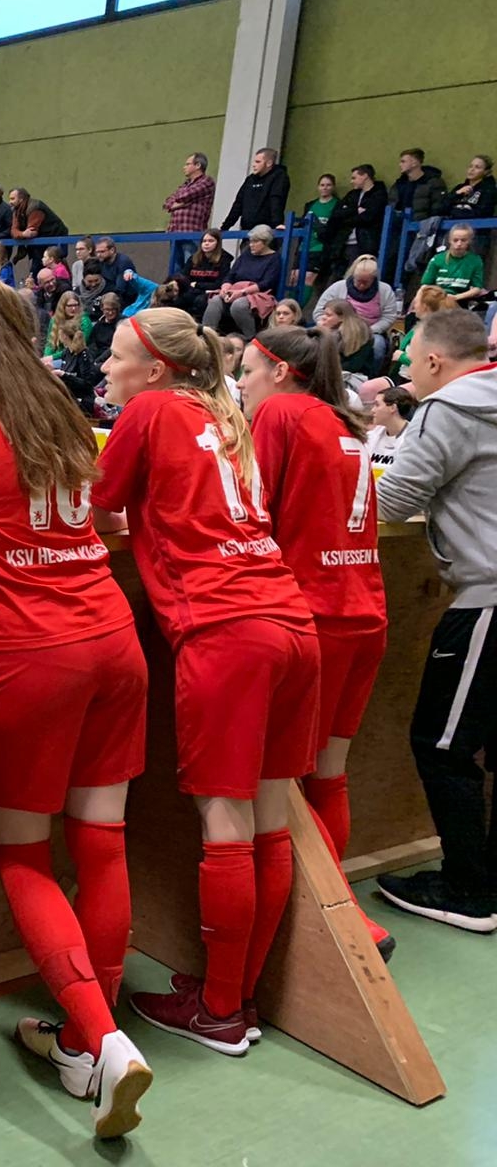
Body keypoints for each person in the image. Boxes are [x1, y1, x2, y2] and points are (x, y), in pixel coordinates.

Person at [0, 281, 151, 1137]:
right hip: (113, 639)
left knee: (23, 857)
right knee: (101, 842)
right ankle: (87, 1044)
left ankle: (102, 1040)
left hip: (30, 653)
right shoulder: (59, 396)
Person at [95, 308, 320, 1056]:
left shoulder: (148, 411)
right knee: (268, 822)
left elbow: (92, 508)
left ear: (155, 369)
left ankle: (221, 1010)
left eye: (117, 357)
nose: (106, 368)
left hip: (226, 631)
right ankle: (237, 996)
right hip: (291, 623)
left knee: (226, 826)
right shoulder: (222, 412)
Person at [239, 326, 395, 956]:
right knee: (329, 776)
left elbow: (249, 508)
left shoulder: (280, 413)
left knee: (279, 792)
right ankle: (347, 916)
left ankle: (340, 926)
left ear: (279, 372)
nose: (241, 385)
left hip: (314, 614)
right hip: (364, 613)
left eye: (247, 372)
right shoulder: (340, 419)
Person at [373, 308, 497, 931]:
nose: (404, 371)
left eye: (409, 359)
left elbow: (393, 500)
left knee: (441, 744)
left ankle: (468, 889)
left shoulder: (447, 408)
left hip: (487, 598)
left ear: (433, 361)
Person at [315, 256, 400, 367]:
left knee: (378, 347)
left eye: (366, 282)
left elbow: (389, 316)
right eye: (358, 281)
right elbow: (319, 311)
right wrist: (325, 324)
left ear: (374, 279)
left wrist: (370, 330)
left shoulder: (385, 290)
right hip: (337, 330)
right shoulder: (337, 287)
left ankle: (371, 375)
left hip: (371, 333)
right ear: (353, 276)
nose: (361, 285)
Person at [202, 226, 281, 337]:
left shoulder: (274, 258)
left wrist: (242, 292)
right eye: (250, 241)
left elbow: (267, 283)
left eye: (255, 242)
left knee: (239, 305)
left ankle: (250, 337)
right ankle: (207, 336)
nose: (251, 245)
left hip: (257, 294)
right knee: (215, 300)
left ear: (265, 242)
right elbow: (231, 275)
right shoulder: (246, 254)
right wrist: (225, 287)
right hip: (235, 290)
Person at [164, 152, 218, 272]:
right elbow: (168, 202)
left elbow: (185, 195)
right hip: (175, 232)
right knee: (175, 270)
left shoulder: (206, 181)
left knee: (191, 267)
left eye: (188, 164)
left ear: (198, 165)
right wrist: (182, 203)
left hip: (191, 232)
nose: (184, 167)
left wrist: (179, 202)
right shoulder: (185, 184)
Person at [223, 147, 291, 232]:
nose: (254, 165)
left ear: (269, 163)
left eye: (258, 162)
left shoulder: (279, 177)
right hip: (247, 230)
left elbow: (276, 200)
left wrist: (277, 223)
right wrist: (225, 227)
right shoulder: (250, 179)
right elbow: (238, 204)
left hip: (267, 231)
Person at [299, 174, 345, 298]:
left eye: (328, 185)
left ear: (333, 187)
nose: (325, 188)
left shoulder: (337, 205)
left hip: (320, 248)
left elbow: (334, 229)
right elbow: (302, 223)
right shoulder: (310, 204)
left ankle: (297, 308)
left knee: (308, 279)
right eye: (322, 185)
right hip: (303, 246)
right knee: (295, 279)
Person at [419, 224, 487, 304]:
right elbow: (425, 286)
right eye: (455, 240)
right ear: (449, 240)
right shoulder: (437, 259)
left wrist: (456, 297)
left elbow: (477, 288)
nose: (459, 244)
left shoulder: (475, 260)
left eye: (463, 240)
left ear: (469, 241)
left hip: (462, 300)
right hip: (437, 300)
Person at [316, 299, 376, 379]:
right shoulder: (332, 330)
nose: (323, 318)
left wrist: (322, 333)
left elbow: (352, 366)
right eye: (323, 314)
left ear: (342, 317)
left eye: (328, 315)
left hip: (350, 376)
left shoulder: (358, 334)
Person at [338, 165, 388, 260]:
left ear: (365, 176)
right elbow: (338, 213)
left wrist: (347, 218)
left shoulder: (379, 195)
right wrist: (356, 211)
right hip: (344, 242)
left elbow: (368, 217)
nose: (351, 181)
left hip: (366, 243)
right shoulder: (352, 194)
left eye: (354, 178)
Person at [8, 188, 69, 264]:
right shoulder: (16, 210)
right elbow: (13, 231)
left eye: (12, 199)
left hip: (55, 236)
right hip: (40, 241)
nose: (10, 202)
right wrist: (23, 234)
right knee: (37, 265)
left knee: (57, 263)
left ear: (21, 199)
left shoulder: (35, 207)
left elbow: (32, 232)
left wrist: (21, 234)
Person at [182, 229, 233, 318]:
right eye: (204, 241)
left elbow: (220, 283)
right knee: (181, 298)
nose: (206, 243)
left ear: (218, 243)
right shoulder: (193, 258)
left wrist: (197, 285)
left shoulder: (224, 260)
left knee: (200, 301)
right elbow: (184, 277)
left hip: (211, 292)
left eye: (211, 241)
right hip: (193, 291)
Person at [366, 384, 417, 470]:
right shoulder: (372, 435)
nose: (372, 410)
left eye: (377, 405)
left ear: (393, 408)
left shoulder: (413, 439)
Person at [391, 149, 446, 224]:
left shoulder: (433, 182)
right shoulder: (399, 184)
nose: (400, 165)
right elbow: (392, 206)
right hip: (398, 226)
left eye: (403, 161)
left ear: (414, 163)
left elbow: (438, 209)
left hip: (423, 226)